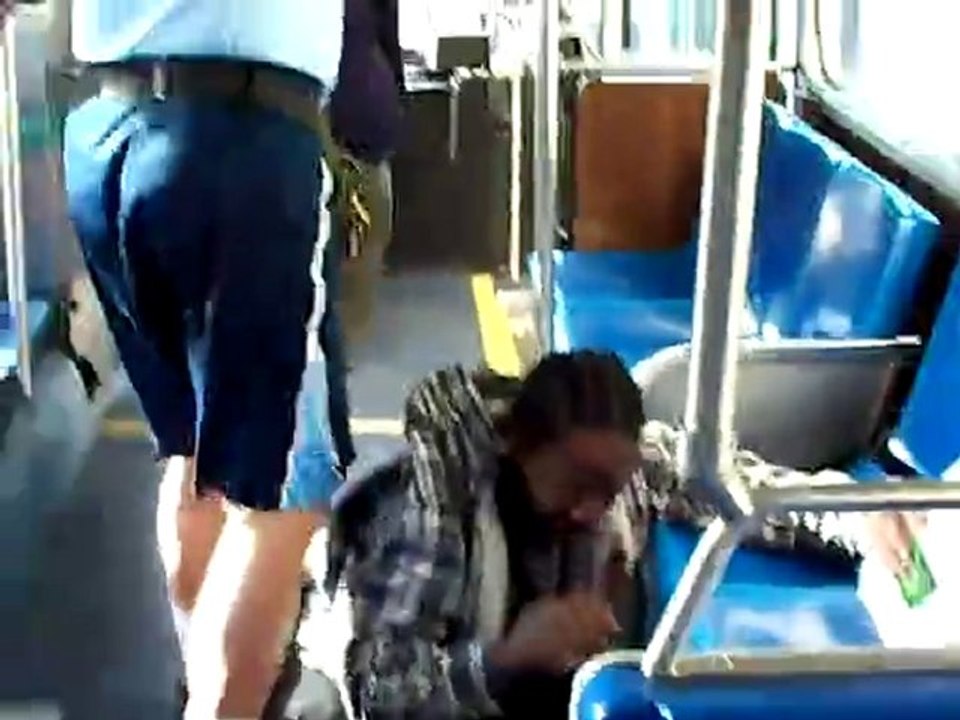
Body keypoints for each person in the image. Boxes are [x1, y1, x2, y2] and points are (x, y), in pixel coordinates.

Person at [325, 350, 920, 720]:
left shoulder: (624, 471)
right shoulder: (428, 516)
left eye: (609, 490)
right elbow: (380, 694)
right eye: (575, 485)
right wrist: (503, 659)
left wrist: (850, 510)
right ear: (514, 446)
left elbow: (737, 488)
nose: (592, 511)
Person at [60, 2, 344, 717]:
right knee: (283, 493)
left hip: (108, 134)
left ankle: (209, 675)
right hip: (240, 143)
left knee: (193, 454)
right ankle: (222, 702)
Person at [320, 0, 404, 471]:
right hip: (313, 129)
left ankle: (333, 406)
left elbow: (386, 36)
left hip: (361, 132)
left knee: (360, 253)